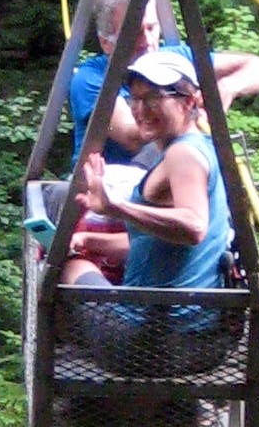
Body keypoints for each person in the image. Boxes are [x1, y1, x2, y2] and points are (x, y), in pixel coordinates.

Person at [69, 47, 233, 292]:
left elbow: (194, 226)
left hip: (153, 322)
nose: (140, 109)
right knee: (76, 254)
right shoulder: (192, 147)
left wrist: (117, 207)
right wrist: (90, 240)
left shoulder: (183, 153)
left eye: (153, 98)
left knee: (68, 266)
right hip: (168, 316)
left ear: (189, 101)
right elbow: (150, 241)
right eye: (134, 99)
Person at [68, 0, 259, 160]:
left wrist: (228, 87)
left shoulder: (176, 59)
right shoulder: (90, 79)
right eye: (134, 32)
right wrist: (192, 107)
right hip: (110, 186)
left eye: (151, 28)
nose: (147, 40)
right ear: (106, 43)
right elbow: (133, 135)